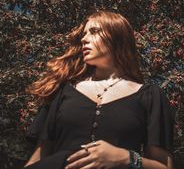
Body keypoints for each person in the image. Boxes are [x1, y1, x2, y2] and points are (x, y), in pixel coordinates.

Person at [24, 10, 174, 169]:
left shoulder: (150, 96)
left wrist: (127, 158)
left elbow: (164, 166)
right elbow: (35, 162)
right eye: (84, 33)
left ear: (117, 37)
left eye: (94, 32)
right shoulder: (62, 91)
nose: (84, 39)